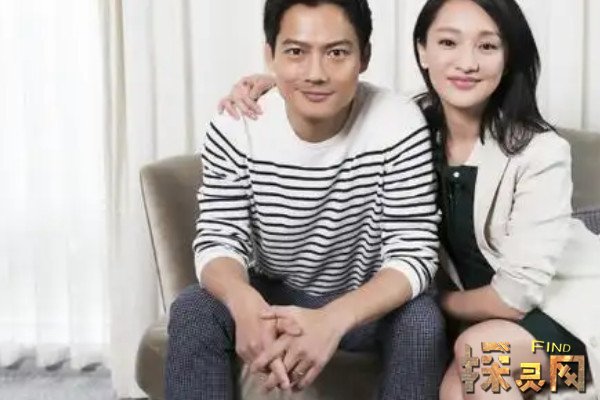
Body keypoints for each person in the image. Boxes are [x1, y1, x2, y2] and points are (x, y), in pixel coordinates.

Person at [219, 0, 600, 398]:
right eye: (448, 42)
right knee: (457, 387)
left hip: (569, 339)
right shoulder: (408, 129)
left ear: (508, 57)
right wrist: (273, 86)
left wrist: (435, 301)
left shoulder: (540, 152)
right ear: (422, 51)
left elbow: (514, 298)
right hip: (490, 335)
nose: (466, 63)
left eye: (487, 46)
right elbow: (342, 94)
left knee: (484, 358)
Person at [165, 1, 448, 399]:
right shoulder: (236, 126)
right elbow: (218, 240)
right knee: (194, 309)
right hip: (271, 296)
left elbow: (413, 253)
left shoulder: (397, 123)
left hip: (362, 303)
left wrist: (331, 321)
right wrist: (244, 302)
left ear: (364, 57)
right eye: (296, 51)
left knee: (421, 320)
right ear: (270, 55)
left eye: (337, 52)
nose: (316, 73)